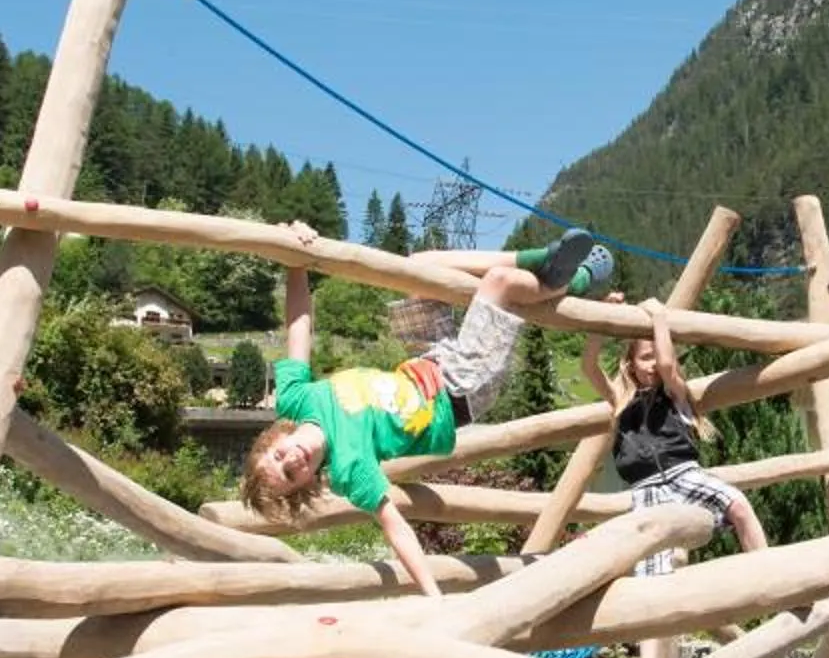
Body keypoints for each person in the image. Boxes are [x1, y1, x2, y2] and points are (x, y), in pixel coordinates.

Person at [241, 224, 612, 595]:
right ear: (306, 484)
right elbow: (394, 526)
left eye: (278, 457)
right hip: (460, 391)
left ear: (274, 439)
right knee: (500, 282)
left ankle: (541, 261)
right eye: (291, 475)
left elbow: (298, 325)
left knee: (419, 266)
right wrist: (433, 595)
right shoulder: (349, 468)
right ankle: (573, 280)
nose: (293, 461)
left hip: (427, 361)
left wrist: (295, 260)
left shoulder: (295, 399)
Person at [583, 296, 771, 574]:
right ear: (631, 364)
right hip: (646, 487)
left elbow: (667, 365)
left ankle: (767, 569)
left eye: (655, 357)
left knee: (739, 506)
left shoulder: (674, 392)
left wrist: (659, 317)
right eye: (645, 358)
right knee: (655, 567)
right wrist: (603, 318)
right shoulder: (620, 400)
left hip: (684, 474)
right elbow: (589, 367)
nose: (653, 365)